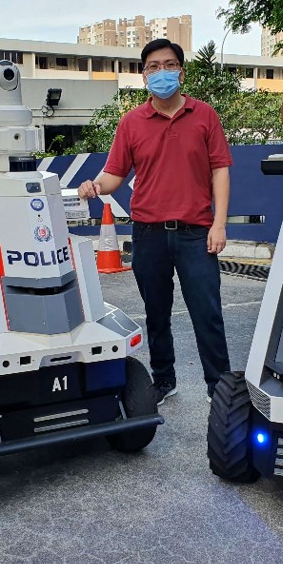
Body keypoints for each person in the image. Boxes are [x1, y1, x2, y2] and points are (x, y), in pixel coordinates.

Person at [77, 38, 232, 404]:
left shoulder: (204, 115)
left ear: (181, 70)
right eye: (153, 66)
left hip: (197, 234)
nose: (161, 72)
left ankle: (219, 387)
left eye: (169, 64)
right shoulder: (132, 123)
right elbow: (114, 174)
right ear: (143, 75)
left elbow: (220, 170)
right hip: (148, 233)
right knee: (156, 314)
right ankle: (163, 380)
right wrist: (95, 185)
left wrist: (219, 224)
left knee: (207, 314)